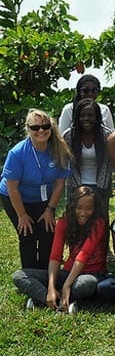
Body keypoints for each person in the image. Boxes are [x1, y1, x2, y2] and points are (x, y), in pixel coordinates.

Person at [12, 186, 108, 313]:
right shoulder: (63, 222)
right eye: (79, 208)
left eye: (88, 208)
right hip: (68, 272)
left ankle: (55, 298)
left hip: (91, 274)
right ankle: (49, 298)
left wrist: (67, 285)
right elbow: (55, 256)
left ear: (94, 209)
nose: (83, 213)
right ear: (73, 206)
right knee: (19, 276)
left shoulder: (99, 224)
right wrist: (51, 287)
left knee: (83, 285)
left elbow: (83, 255)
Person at [0, 110, 72, 269]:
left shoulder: (59, 150)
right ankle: (30, 273)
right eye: (35, 127)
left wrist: (50, 209)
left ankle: (46, 270)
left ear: (51, 127)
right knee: (27, 233)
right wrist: (22, 215)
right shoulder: (17, 153)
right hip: (15, 195)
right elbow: (12, 187)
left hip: (43, 196)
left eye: (45, 126)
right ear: (28, 129)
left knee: (48, 231)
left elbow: (60, 183)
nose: (41, 130)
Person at [63, 98, 113, 217]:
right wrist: (79, 189)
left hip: (101, 186)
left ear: (97, 117)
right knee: (76, 221)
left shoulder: (107, 136)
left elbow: (108, 163)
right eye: (83, 115)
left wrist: (99, 189)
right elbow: (67, 164)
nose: (86, 119)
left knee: (100, 224)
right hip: (75, 186)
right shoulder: (69, 136)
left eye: (90, 115)